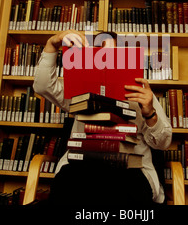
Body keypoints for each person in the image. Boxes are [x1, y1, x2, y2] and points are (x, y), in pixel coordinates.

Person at [33, 29, 172, 205]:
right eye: (101, 55)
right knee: (67, 185)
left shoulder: (142, 95)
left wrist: (150, 113)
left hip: (130, 171)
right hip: (81, 169)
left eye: (113, 55)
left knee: (122, 190)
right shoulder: (78, 91)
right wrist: (53, 43)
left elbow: (163, 142)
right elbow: (43, 86)